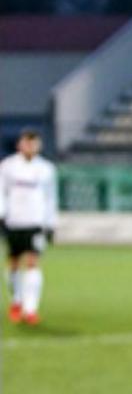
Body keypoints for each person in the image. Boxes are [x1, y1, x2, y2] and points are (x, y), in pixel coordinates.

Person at [0, 127, 58, 325]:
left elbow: (50, 198)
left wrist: (50, 224)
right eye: (27, 142)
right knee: (14, 262)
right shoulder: (8, 166)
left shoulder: (46, 169)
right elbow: (1, 192)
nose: (30, 146)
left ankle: (31, 308)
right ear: (19, 144)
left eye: (34, 143)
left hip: (35, 222)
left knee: (33, 262)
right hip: (13, 221)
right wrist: (1, 215)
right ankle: (16, 301)